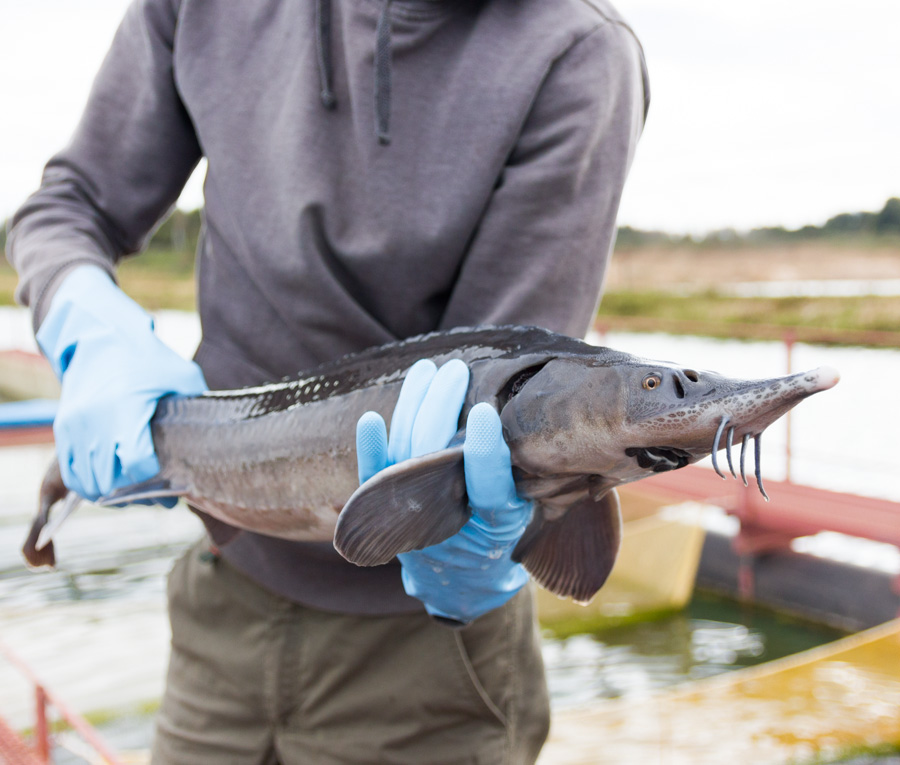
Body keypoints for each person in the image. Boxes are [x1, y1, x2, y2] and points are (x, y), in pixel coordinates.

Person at [7, 0, 649, 762]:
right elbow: (69, 206)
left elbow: (512, 387)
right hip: (222, 605)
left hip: (431, 663)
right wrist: (86, 323)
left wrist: (478, 540)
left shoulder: (575, 51)